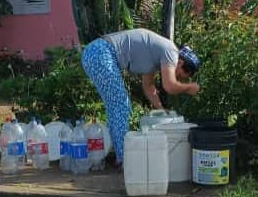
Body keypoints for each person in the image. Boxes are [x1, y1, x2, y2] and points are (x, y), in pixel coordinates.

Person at [81, 28, 201, 165]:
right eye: (181, 75)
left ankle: (119, 156)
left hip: (96, 52)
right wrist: (190, 87)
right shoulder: (171, 51)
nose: (178, 77)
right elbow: (170, 86)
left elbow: (148, 86)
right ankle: (125, 160)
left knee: (115, 107)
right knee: (121, 105)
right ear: (181, 63)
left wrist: (161, 109)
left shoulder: (157, 58)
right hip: (101, 53)